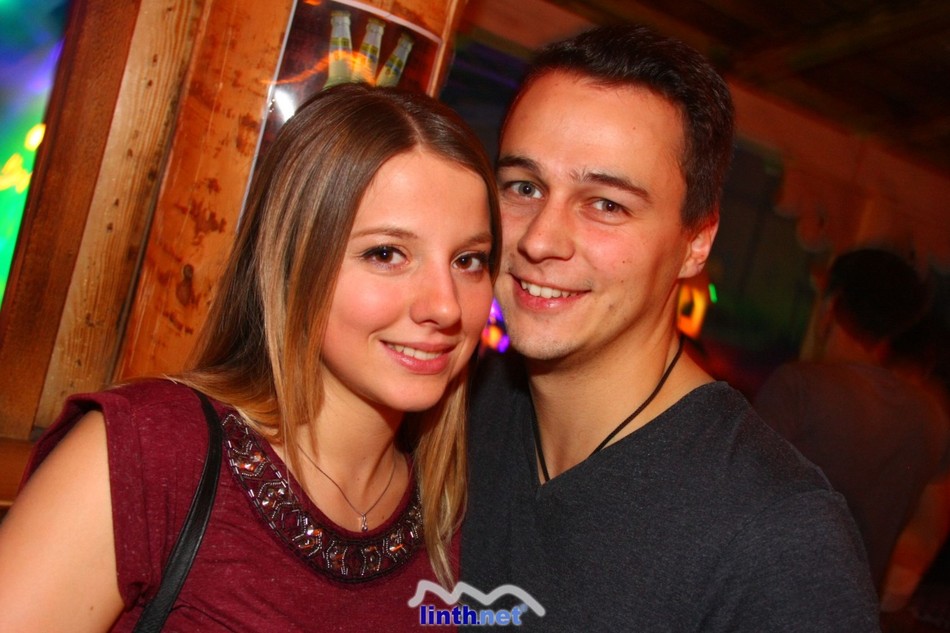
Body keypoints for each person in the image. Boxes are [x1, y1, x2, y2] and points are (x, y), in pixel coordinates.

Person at [0, 83, 500, 631]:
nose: (445, 306)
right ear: (292, 263)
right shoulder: (148, 451)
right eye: (386, 253)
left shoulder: (462, 511)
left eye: (469, 260)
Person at [461, 24, 879, 631]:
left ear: (695, 242)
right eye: (524, 187)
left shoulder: (780, 539)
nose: (540, 239)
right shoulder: (454, 408)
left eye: (607, 204)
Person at [755, 248, 950, 597]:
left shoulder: (798, 387)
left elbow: (741, 496)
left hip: (772, 597)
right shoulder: (930, 414)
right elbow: (927, 536)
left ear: (832, 305)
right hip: (854, 610)